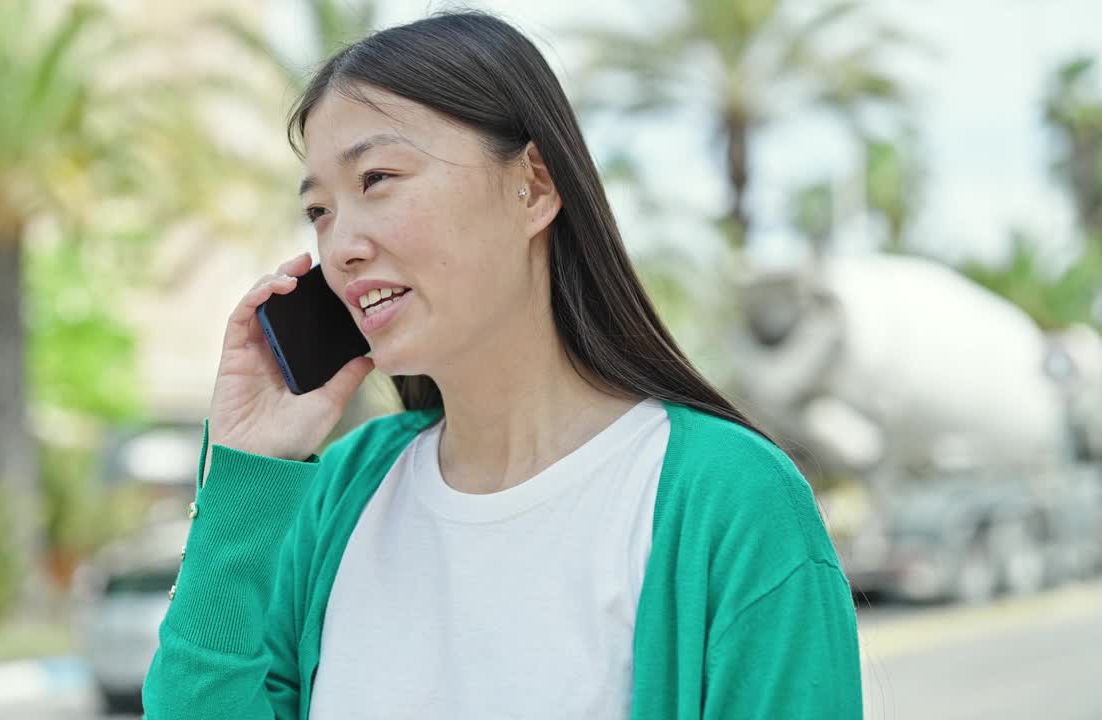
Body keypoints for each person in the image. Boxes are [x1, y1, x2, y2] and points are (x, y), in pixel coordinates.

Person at [142, 10, 861, 720]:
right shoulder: (343, 493)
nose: (341, 248)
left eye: (378, 178)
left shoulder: (728, 499)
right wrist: (246, 472)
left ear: (536, 187)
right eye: (319, 212)